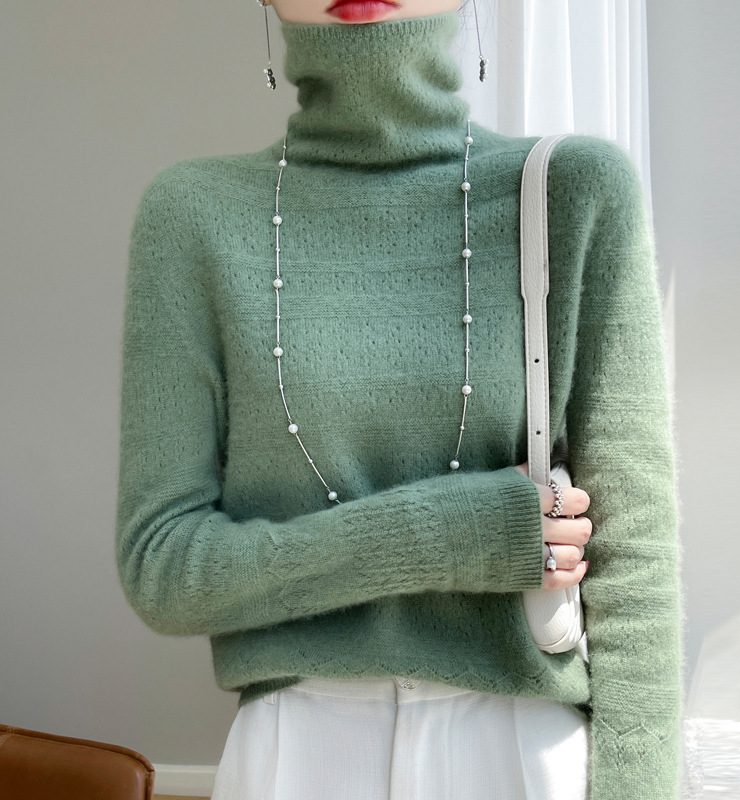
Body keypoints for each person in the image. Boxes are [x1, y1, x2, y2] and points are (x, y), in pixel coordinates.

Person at [115, 1, 682, 798]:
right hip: (295, 759)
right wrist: (446, 536)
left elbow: (634, 558)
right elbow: (163, 567)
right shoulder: (193, 216)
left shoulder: (575, 191)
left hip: (523, 753)